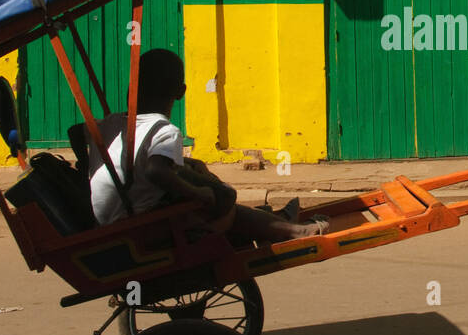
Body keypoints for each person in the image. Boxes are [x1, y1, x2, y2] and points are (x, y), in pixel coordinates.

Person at [88, 48, 325, 241]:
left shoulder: (110, 124)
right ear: (181, 92)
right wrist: (198, 193)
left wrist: (187, 165)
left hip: (111, 219)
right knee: (223, 197)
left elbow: (138, 161)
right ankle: (295, 230)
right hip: (139, 227)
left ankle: (274, 221)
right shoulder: (164, 131)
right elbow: (154, 170)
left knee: (199, 177)